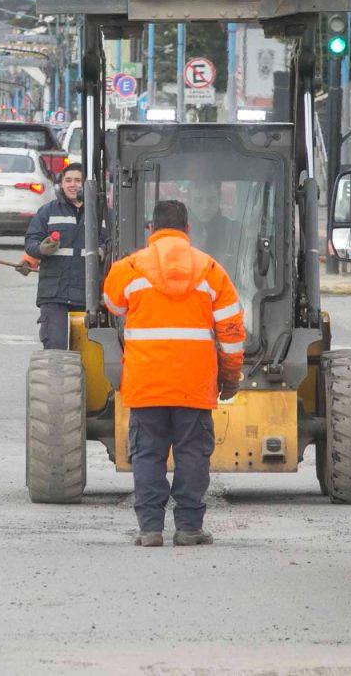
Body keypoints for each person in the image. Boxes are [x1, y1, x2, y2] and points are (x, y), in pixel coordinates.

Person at [101, 200, 245, 547]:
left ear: (151, 229)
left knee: (147, 454)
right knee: (192, 454)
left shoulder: (130, 267)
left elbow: (113, 304)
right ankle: (189, 528)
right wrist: (229, 378)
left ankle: (150, 528)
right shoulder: (211, 269)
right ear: (188, 229)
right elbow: (231, 333)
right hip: (194, 384)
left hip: (146, 382)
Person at [24, 162, 89, 349]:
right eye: (68, 180)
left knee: (90, 352)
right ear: (61, 184)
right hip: (55, 294)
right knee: (56, 346)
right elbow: (31, 242)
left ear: (87, 184)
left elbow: (114, 242)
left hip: (89, 295)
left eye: (78, 180)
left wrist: (103, 250)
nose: (72, 184)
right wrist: (41, 249)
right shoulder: (48, 212)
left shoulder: (101, 214)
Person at [187, 181, 238, 273]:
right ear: (189, 200)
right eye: (198, 200)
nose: (205, 207)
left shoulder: (236, 232)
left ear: (219, 198)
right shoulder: (178, 232)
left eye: (211, 200)